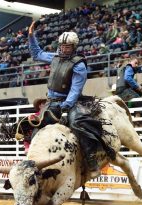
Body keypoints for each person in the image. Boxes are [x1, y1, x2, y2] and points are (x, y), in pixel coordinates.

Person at [28, 21, 115, 178]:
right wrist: (31, 36)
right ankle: (33, 161)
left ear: (74, 47)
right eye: (62, 45)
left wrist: (65, 106)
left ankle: (92, 161)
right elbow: (37, 54)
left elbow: (75, 90)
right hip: (52, 102)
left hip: (70, 103)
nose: (63, 48)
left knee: (77, 124)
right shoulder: (55, 57)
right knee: (35, 126)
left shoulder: (79, 65)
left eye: (67, 46)